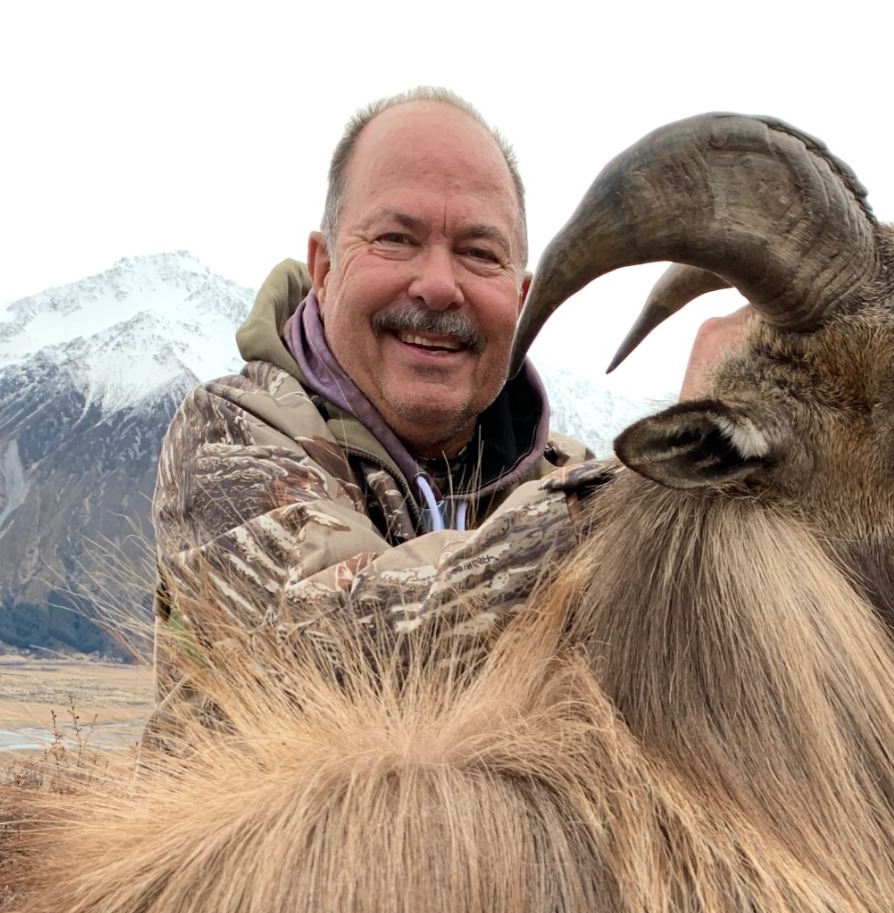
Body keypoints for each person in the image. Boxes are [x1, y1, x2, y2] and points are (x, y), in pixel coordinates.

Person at [151, 89, 608, 707]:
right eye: (396, 238)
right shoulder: (228, 437)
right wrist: (610, 518)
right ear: (324, 269)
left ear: (522, 300)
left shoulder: (568, 473)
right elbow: (325, 648)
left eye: (480, 254)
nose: (439, 287)